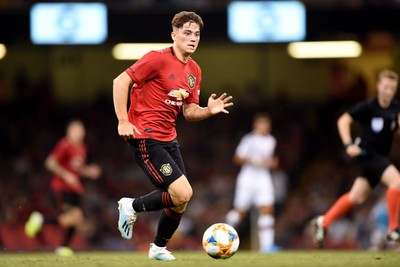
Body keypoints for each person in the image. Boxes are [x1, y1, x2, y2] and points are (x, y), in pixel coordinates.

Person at [112, 11, 233, 261]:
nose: (193, 38)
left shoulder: (194, 70)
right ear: (174, 35)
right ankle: (130, 206)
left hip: (169, 138)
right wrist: (123, 120)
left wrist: (208, 111)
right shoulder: (156, 59)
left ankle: (158, 247)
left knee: (180, 200)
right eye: (187, 33)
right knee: (183, 192)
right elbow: (120, 81)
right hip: (145, 136)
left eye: (197, 34)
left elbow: (188, 112)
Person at [312, 69, 400, 248]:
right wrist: (348, 144)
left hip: (380, 157)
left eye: (392, 88)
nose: (388, 91)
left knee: (356, 197)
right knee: (397, 182)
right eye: (385, 87)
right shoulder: (368, 106)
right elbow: (343, 121)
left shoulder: (396, 108)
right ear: (378, 86)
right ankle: (393, 228)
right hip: (367, 154)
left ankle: (324, 221)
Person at [24, 119, 101, 256]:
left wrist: (89, 171)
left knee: (76, 219)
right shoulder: (64, 145)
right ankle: (43, 223)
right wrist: (66, 175)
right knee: (71, 218)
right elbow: (50, 162)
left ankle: (62, 245)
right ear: (69, 131)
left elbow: (76, 168)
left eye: (82, 130)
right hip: (62, 188)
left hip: (75, 189)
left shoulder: (82, 147)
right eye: (77, 130)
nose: (80, 133)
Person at [226, 112, 280, 253]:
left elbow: (273, 161)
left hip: (263, 177)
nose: (264, 126)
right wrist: (254, 161)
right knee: (240, 212)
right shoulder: (249, 139)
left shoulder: (271, 140)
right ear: (255, 125)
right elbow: (237, 158)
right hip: (248, 177)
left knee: (267, 208)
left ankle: (267, 246)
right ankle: (224, 236)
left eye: (266, 124)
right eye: (262, 123)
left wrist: (272, 163)